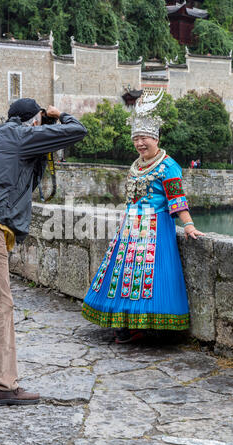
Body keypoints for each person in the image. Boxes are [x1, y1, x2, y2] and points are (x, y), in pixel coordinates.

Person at [0, 98, 87, 406]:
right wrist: (56, 115)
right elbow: (78, 130)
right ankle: (4, 385)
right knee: (0, 304)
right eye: (40, 118)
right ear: (34, 120)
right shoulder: (24, 135)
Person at [81, 90, 204, 344]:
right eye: (136, 138)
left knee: (148, 276)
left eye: (145, 137)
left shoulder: (167, 165)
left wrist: (188, 224)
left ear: (155, 138)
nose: (140, 143)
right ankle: (125, 324)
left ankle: (143, 325)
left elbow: (176, 198)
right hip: (131, 228)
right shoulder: (136, 165)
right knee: (124, 275)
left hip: (156, 229)